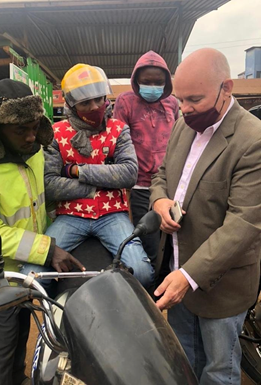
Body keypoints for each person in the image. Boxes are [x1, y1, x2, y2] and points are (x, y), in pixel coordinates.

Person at [149, 48, 261, 385]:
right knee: (185, 358)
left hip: (219, 283)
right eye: (180, 99)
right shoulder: (184, 126)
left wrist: (189, 276)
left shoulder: (252, 140)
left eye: (194, 99)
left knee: (218, 370)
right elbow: (161, 175)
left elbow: (244, 225)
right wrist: (159, 202)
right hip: (176, 269)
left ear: (226, 88)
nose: (185, 109)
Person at [0, 79, 84, 385]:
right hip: (3, 270)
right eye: (21, 130)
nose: (31, 136)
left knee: (25, 324)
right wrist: (47, 250)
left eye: (35, 126)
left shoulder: (33, 149)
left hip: (31, 263)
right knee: (6, 330)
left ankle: (18, 377)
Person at [38, 63, 154, 289]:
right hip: (70, 216)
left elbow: (129, 173)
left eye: (99, 99)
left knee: (142, 272)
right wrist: (98, 186)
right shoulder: (56, 133)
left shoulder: (119, 129)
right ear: (72, 104)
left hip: (112, 215)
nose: (95, 106)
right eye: (85, 103)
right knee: (32, 274)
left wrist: (75, 170)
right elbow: (50, 184)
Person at [113, 50, 179, 271]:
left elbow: (178, 139)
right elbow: (118, 140)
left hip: (168, 185)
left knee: (170, 240)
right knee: (147, 242)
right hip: (138, 186)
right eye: (146, 81)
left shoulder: (173, 104)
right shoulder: (125, 102)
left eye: (158, 82)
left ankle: (164, 283)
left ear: (167, 82)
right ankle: (150, 291)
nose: (153, 86)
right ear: (136, 81)